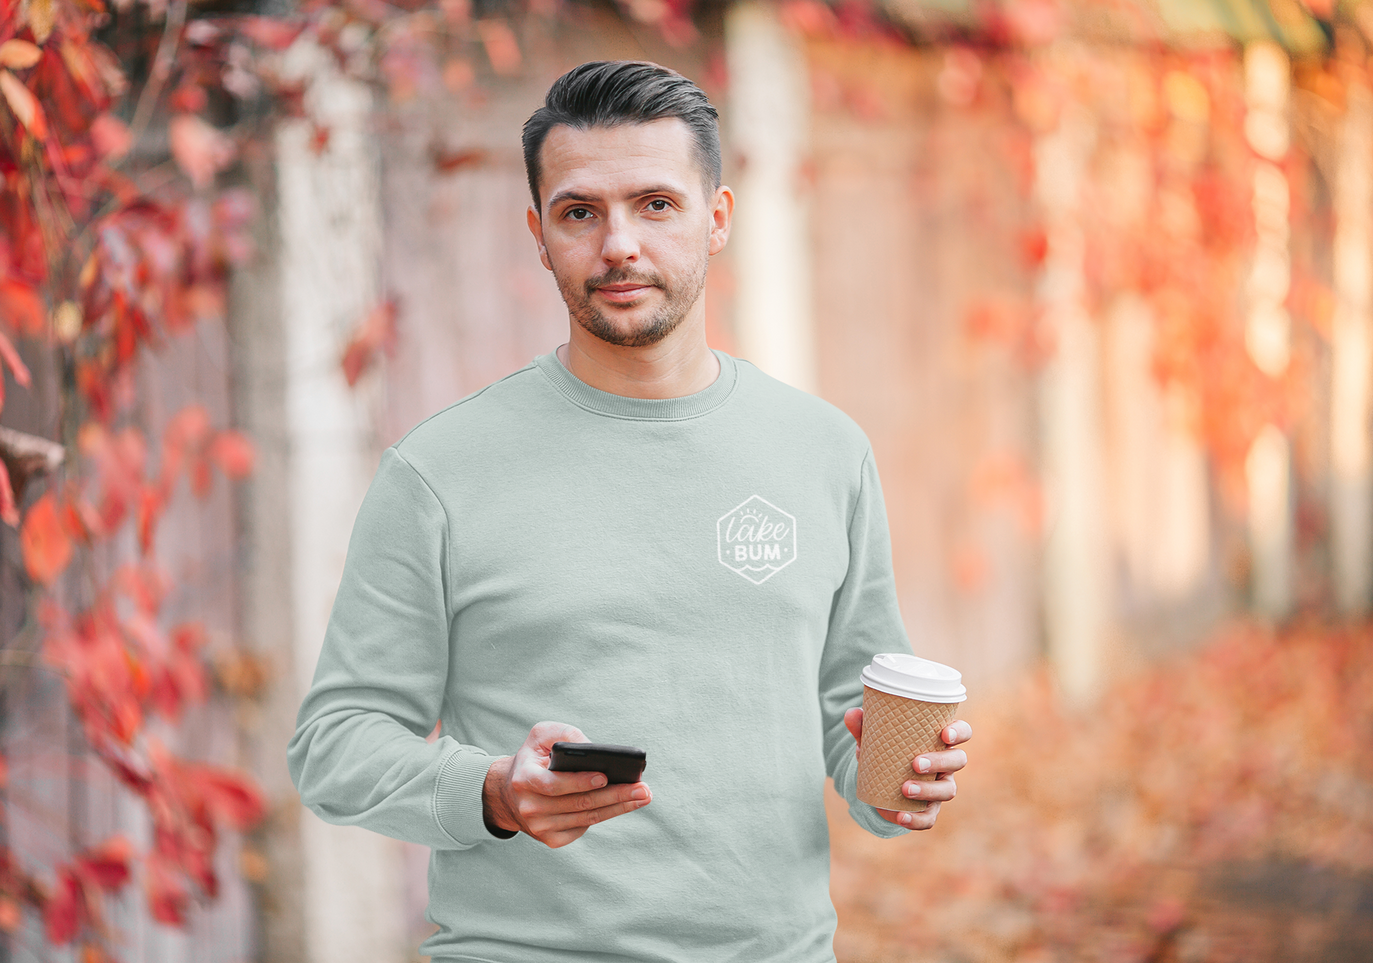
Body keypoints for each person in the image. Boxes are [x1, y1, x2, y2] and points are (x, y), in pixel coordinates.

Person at [287, 60, 971, 962]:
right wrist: (492, 789)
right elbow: (335, 746)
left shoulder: (823, 450)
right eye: (580, 212)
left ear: (716, 217)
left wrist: (893, 786)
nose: (619, 245)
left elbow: (849, 708)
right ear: (538, 234)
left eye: (655, 203)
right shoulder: (438, 471)